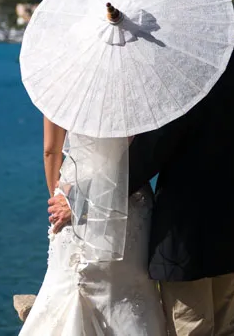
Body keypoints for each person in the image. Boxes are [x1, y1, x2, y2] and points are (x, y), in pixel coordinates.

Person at [50, 39, 234, 335]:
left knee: (192, 326)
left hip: (187, 229)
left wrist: (84, 199)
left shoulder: (184, 70)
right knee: (228, 324)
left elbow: (151, 151)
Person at [19, 118, 167, 335]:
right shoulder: (134, 87)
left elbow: (51, 150)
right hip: (128, 197)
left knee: (71, 286)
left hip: (73, 190)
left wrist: (62, 201)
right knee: (126, 292)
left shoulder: (59, 85)